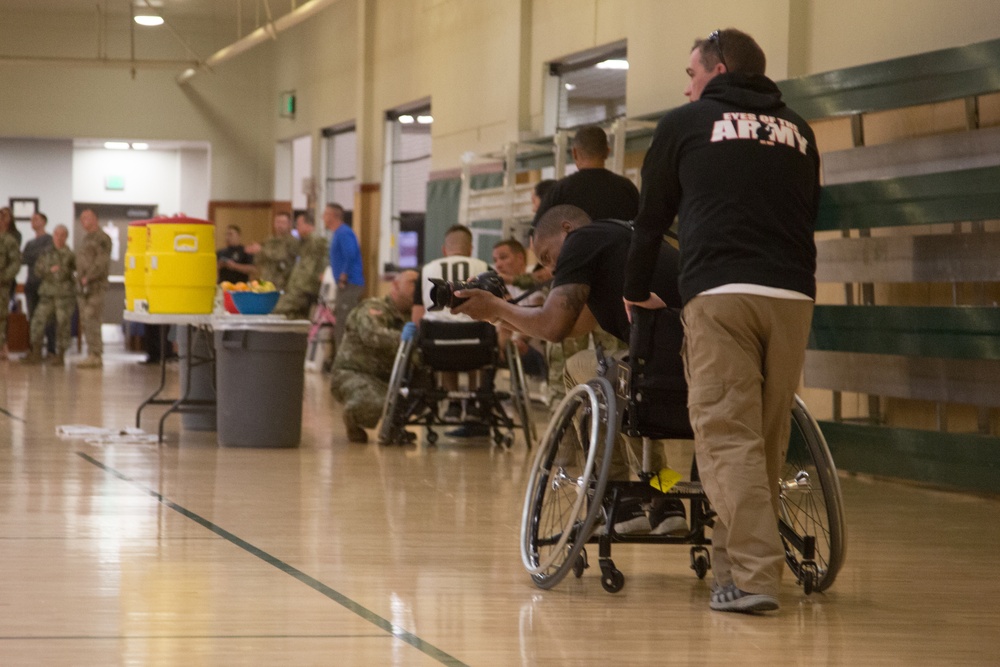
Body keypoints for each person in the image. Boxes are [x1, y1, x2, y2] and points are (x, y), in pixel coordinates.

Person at [623, 29, 820, 614]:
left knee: (724, 436)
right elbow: (806, 212)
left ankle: (758, 576)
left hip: (720, 292)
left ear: (720, 67)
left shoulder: (685, 124)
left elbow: (649, 220)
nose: (687, 86)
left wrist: (635, 290)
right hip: (792, 296)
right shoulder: (800, 131)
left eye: (691, 73)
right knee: (764, 438)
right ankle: (732, 571)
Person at [454, 205, 687, 536]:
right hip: (692, 368)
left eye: (548, 256)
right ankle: (666, 500)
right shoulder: (621, 240)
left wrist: (496, 306)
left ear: (567, 229)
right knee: (621, 380)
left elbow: (553, 329)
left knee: (584, 370)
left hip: (655, 372)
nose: (551, 269)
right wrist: (498, 315)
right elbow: (572, 324)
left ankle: (618, 503)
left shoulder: (583, 239)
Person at [412, 224, 490, 436]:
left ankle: (453, 403)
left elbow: (418, 315)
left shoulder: (426, 270)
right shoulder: (484, 267)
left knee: (443, 338)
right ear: (471, 249)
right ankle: (473, 402)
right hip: (478, 347)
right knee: (478, 335)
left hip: (438, 347)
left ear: (444, 250)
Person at [330, 270, 419, 443]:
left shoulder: (414, 315)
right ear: (395, 285)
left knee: (422, 396)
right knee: (376, 403)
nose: (417, 288)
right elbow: (372, 335)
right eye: (412, 283)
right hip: (354, 373)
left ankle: (396, 426)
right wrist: (403, 339)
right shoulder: (373, 308)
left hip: (389, 379)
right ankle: (353, 418)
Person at [531, 125, 639, 226]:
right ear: (607, 152)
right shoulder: (627, 189)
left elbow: (538, 236)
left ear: (574, 153)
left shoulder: (559, 191)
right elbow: (643, 229)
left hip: (572, 247)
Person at [491, 239, 546, 380]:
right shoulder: (502, 287)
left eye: (503, 258)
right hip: (514, 345)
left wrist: (521, 338)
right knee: (487, 351)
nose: (498, 264)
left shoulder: (534, 279)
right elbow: (503, 327)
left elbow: (539, 315)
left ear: (520, 258)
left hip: (539, 344)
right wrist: (502, 345)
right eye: (495, 260)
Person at [22, 224, 74, 366]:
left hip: (63, 295)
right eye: (56, 234)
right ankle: (36, 352)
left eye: (61, 235)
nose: (58, 237)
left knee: (63, 324)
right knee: (37, 321)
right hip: (47, 294)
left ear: (66, 237)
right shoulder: (46, 253)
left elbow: (69, 273)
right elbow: (38, 270)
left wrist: (58, 271)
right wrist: (50, 270)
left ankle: (60, 355)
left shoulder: (70, 254)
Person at [75, 208, 112, 368]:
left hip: (95, 285)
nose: (85, 221)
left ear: (95, 219)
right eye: (82, 219)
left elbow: (101, 262)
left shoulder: (102, 238)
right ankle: (91, 352)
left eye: (88, 218)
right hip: (84, 287)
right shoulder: (86, 239)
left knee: (92, 317)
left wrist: (88, 277)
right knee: (86, 319)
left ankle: (96, 354)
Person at [274, 213, 330, 319]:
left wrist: (300, 288)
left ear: (308, 225)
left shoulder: (315, 242)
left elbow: (310, 269)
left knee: (279, 309)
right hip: (299, 289)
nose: (297, 228)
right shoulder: (304, 242)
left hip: (304, 290)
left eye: (299, 224)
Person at [324, 203, 365, 348]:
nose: (323, 217)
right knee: (340, 319)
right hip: (344, 284)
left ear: (333, 216)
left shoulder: (344, 232)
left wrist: (344, 275)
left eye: (326, 213)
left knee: (344, 320)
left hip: (350, 284)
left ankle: (344, 355)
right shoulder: (337, 233)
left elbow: (351, 253)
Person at [21, 212, 56, 355]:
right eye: (31, 220)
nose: (33, 222)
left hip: (45, 285)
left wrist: (33, 257)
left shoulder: (49, 240)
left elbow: (44, 256)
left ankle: (51, 349)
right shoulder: (29, 243)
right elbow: (23, 259)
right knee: (33, 317)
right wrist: (32, 257)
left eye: (36, 219)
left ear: (44, 221)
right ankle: (34, 349)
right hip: (31, 284)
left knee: (48, 318)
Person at [246, 212, 299, 291]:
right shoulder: (269, 240)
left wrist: (261, 250)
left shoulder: (292, 241)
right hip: (266, 281)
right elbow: (259, 260)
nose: (279, 225)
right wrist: (254, 251)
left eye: (283, 223)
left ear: (289, 224)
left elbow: (280, 255)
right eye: (277, 222)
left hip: (283, 284)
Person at [0, 213, 22, 361]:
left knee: (1, 317)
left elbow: (15, 263)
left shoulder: (9, 240)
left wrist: (4, 278)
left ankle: (2, 347)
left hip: (2, 285)